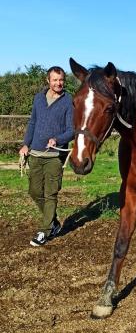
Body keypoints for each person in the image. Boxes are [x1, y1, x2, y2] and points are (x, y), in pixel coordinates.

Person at [19, 66, 74, 247]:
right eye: (55, 80)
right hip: (35, 153)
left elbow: (71, 130)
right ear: (48, 81)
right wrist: (25, 144)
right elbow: (33, 122)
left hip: (54, 156)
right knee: (34, 192)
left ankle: (44, 231)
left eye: (61, 80)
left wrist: (57, 139)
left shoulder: (68, 101)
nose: (58, 83)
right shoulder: (38, 98)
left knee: (50, 194)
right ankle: (53, 222)